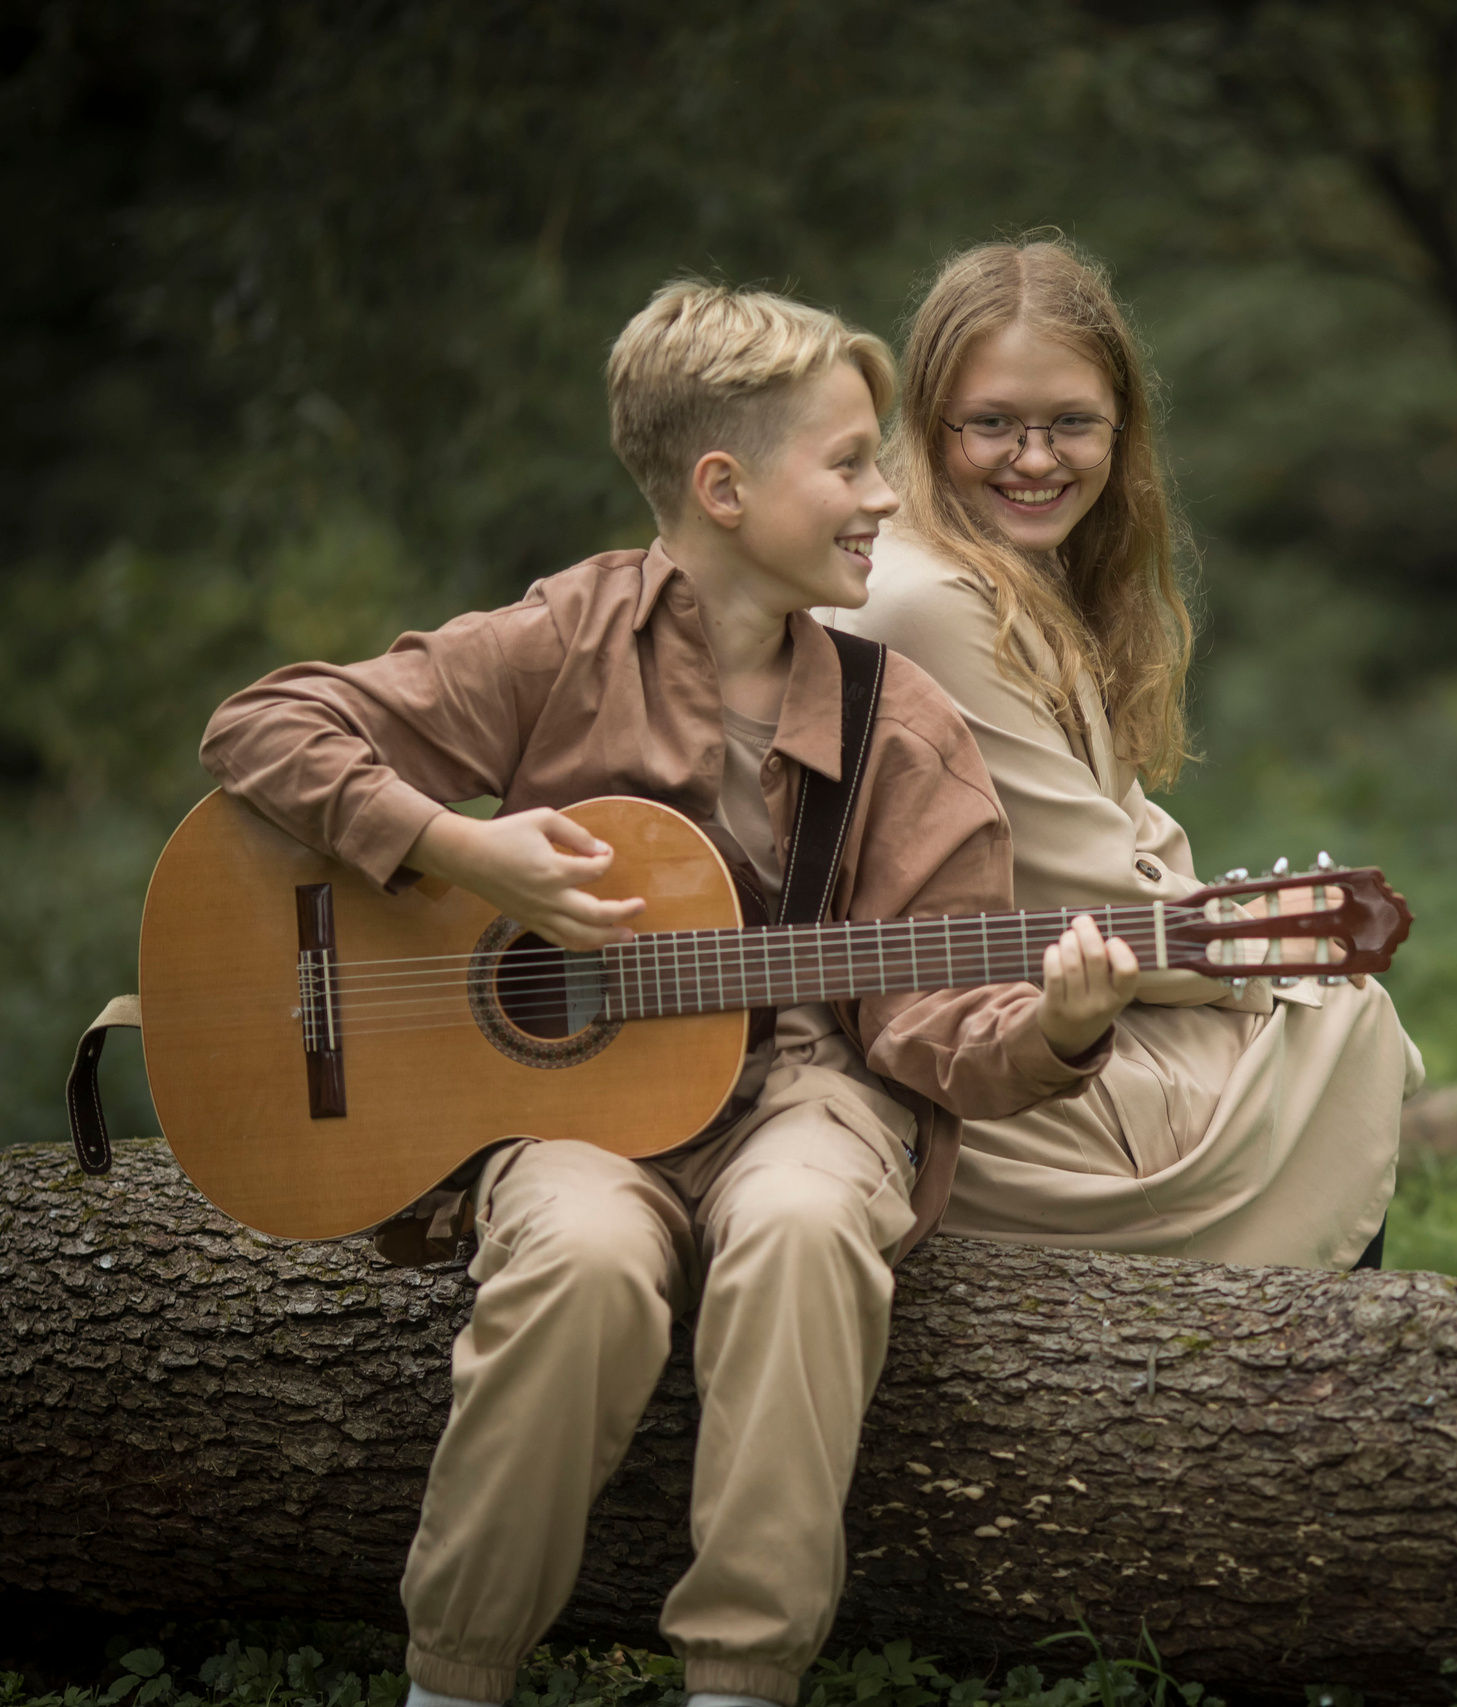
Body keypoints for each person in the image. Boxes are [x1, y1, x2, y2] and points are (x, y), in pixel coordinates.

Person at [198, 281, 1140, 1707]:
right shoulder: (561, 640)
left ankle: (739, 1680)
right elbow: (260, 726)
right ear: (722, 484)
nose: (886, 496)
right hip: (578, 1114)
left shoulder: (901, 719)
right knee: (573, 1261)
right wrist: (461, 849)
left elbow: (934, 1031)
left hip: (809, 1092)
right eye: (848, 462)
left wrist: (1056, 1030)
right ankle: (454, 1677)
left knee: (807, 1223)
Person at [821, 237, 1421, 1273]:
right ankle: (1306, 1395)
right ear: (929, 423)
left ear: (1120, 429)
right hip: (945, 1058)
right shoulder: (931, 601)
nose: (1038, 458)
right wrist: (1256, 960)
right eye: (994, 425)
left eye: (1071, 425)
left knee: (1320, 1015)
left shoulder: (1000, 574)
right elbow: (1091, 895)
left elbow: (1128, 835)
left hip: (1028, 1001)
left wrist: (1222, 951)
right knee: (1335, 1025)